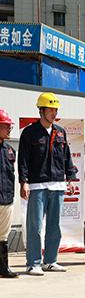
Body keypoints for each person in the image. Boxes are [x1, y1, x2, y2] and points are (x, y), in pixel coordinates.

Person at [18, 92, 77, 276]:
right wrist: (23, 182)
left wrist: (70, 178)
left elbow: (66, 157)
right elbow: (23, 159)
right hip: (37, 185)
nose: (54, 113)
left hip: (57, 185)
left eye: (55, 110)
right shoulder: (29, 132)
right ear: (41, 110)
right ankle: (33, 263)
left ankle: (50, 261)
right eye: (50, 109)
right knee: (35, 227)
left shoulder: (60, 132)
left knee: (54, 226)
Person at [0, 109, 17, 278]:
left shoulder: (10, 150)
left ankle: (3, 268)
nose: (9, 129)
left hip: (6, 199)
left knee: (3, 236)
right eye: (5, 126)